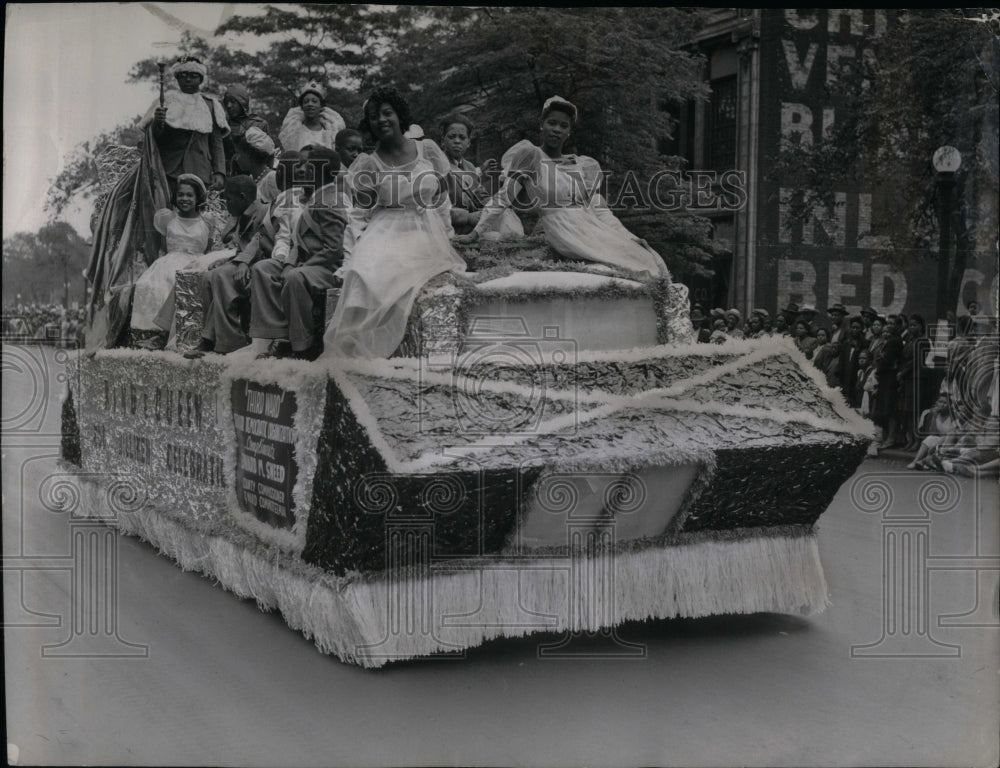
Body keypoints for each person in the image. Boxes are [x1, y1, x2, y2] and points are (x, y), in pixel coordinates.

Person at [322, 86, 465, 359]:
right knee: (365, 274)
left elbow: (443, 200)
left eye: (387, 113)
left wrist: (449, 236)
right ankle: (362, 353)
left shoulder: (428, 150)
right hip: (385, 229)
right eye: (374, 116)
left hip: (424, 228)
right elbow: (358, 216)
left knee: (408, 276)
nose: (382, 120)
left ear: (400, 116)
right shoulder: (367, 163)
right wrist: (349, 259)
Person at [463, 96, 668, 278]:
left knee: (649, 258)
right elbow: (504, 197)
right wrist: (477, 232)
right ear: (541, 125)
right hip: (565, 230)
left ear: (569, 132)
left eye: (563, 126)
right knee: (632, 267)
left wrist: (628, 237)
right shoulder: (530, 156)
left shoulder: (582, 165)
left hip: (592, 227)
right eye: (552, 123)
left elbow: (600, 210)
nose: (557, 129)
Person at [252, 146, 349, 360]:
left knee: (296, 278)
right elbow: (298, 242)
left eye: (307, 165)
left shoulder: (330, 200)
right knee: (263, 269)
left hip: (327, 267)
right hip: (307, 263)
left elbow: (334, 250)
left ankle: (302, 346)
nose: (301, 169)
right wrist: (288, 263)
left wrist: (300, 267)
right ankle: (276, 334)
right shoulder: (313, 197)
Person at [129, 174, 215, 345]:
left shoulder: (207, 221)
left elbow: (208, 248)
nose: (184, 199)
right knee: (150, 284)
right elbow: (163, 247)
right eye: (180, 194)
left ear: (197, 197)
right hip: (169, 260)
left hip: (196, 261)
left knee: (188, 282)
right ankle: (153, 334)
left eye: (189, 195)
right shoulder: (167, 218)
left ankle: (185, 337)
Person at [139, 55, 229, 196]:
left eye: (193, 75)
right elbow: (155, 138)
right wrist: (157, 121)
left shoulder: (211, 105)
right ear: (177, 78)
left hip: (200, 170)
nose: (188, 79)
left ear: (200, 79)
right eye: (183, 75)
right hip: (168, 170)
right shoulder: (166, 101)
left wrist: (219, 172)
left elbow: (216, 143)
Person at [278, 81, 346, 153]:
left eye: (314, 101)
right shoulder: (294, 132)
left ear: (321, 106)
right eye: (306, 102)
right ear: (302, 107)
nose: (310, 104)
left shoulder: (330, 133)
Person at [221, 84, 269, 176]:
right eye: (226, 102)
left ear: (242, 102)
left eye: (232, 102)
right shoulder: (223, 125)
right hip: (226, 175)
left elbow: (267, 156)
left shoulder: (260, 124)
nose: (229, 105)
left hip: (253, 175)